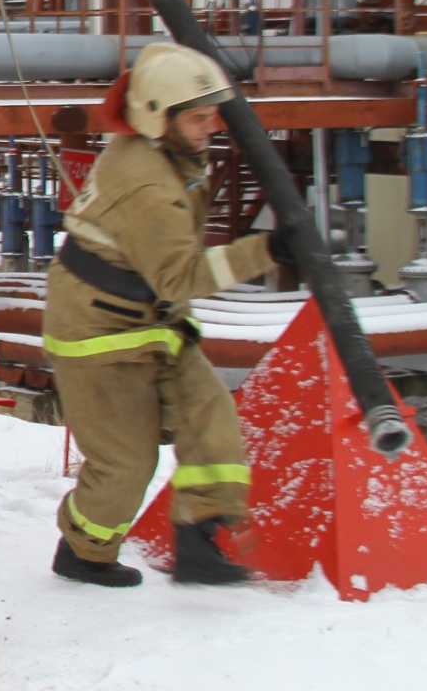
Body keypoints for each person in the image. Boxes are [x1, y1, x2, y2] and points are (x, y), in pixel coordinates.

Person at [48, 42, 293, 587]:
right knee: (125, 464)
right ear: (160, 115)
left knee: (212, 419)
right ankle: (84, 552)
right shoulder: (146, 183)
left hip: (148, 319)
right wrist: (267, 251)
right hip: (98, 332)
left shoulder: (169, 154)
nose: (211, 127)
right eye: (200, 117)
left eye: (213, 115)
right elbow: (178, 275)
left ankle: (199, 541)